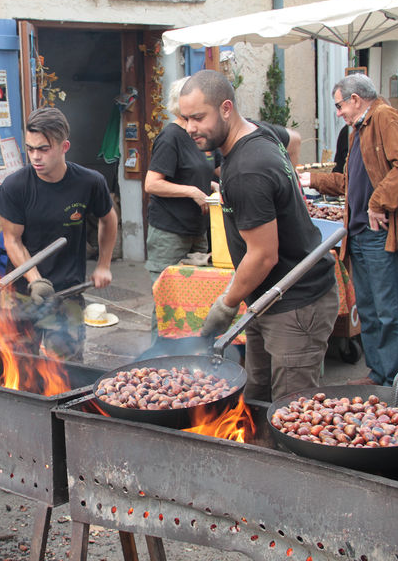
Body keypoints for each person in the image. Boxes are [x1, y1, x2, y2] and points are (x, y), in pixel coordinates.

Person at [181, 70, 339, 402]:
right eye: (186, 118)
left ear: (226, 108)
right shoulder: (258, 131)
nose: (190, 128)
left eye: (198, 117)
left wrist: (225, 304)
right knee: (255, 393)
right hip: (265, 299)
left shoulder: (247, 170)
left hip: (295, 302)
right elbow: (292, 139)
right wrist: (287, 189)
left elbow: (263, 255)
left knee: (291, 409)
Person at [299, 74, 398, 388]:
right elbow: (349, 182)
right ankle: (379, 374)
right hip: (359, 234)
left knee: (389, 311)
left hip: (379, 233)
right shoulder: (359, 129)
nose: (338, 112)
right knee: (368, 309)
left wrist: (379, 202)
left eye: (340, 105)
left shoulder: (383, 117)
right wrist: (310, 179)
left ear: (356, 99)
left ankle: (396, 383)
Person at [0, 107, 117, 360]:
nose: (35, 157)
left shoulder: (89, 182)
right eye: (30, 149)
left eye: (43, 149)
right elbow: (12, 240)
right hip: (21, 295)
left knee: (67, 371)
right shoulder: (15, 186)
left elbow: (108, 219)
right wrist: (35, 279)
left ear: (64, 146)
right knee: (18, 367)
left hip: (67, 293)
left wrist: (104, 264)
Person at [144, 77, 215, 284]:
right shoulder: (170, 137)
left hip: (198, 230)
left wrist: (214, 186)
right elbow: (152, 184)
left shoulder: (202, 136)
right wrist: (193, 191)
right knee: (168, 299)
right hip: (170, 232)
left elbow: (208, 170)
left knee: (197, 299)